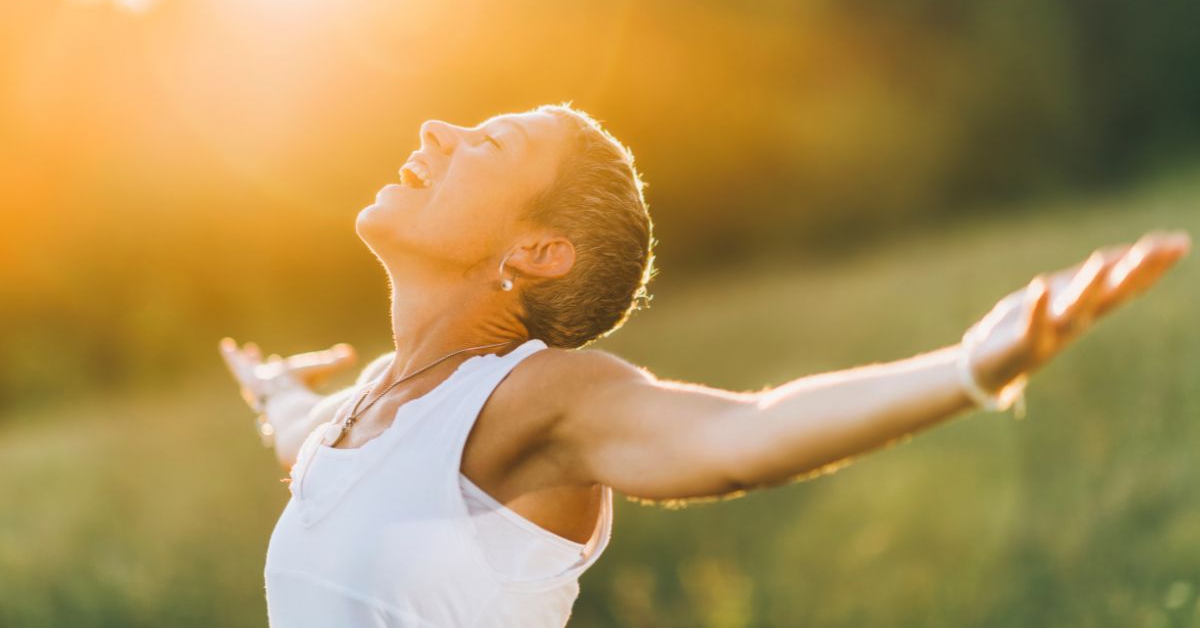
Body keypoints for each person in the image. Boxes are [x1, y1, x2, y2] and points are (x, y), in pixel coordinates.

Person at [219, 102, 1191, 627]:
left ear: (538, 252)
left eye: (489, 142)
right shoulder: (368, 408)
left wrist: (973, 366)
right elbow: (314, 448)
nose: (436, 131)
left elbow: (743, 436)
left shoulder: (534, 397)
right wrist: (279, 393)